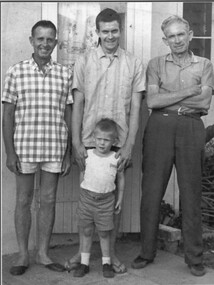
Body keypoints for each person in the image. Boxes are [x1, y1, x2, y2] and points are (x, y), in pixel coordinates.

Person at [132, 15, 214, 277]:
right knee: (152, 190)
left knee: (191, 192)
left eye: (181, 34)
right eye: (171, 36)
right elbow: (153, 102)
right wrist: (189, 92)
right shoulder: (155, 64)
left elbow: (203, 103)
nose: (177, 40)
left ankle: (194, 257)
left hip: (191, 127)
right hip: (160, 127)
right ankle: (146, 252)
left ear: (189, 35)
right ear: (165, 39)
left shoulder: (205, 64)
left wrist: (173, 100)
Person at [66, 8, 145, 273]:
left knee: (113, 202)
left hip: (119, 143)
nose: (110, 36)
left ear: (121, 31)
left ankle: (111, 255)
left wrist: (130, 143)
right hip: (90, 141)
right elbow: (77, 103)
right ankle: (82, 252)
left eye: (115, 31)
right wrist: (76, 142)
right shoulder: (84, 60)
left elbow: (136, 108)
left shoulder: (133, 63)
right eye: (105, 31)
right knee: (87, 200)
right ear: (97, 32)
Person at [2, 20, 73, 275]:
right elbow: (7, 115)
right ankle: (22, 254)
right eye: (40, 38)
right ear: (31, 41)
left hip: (54, 145)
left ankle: (42, 253)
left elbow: (68, 115)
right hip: (24, 147)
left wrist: (68, 153)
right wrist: (10, 152)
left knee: (49, 200)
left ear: (56, 42)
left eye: (50, 39)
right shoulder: (16, 72)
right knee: (23, 200)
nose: (45, 43)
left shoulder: (65, 73)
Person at [73, 118, 125, 278]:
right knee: (86, 231)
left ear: (114, 141)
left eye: (106, 140)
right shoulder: (87, 155)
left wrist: (120, 198)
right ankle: (84, 263)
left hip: (106, 201)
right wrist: (82, 192)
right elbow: (82, 174)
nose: (102, 143)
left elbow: (121, 178)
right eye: (99, 139)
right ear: (93, 138)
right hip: (87, 199)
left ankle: (106, 263)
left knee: (104, 233)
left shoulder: (115, 157)